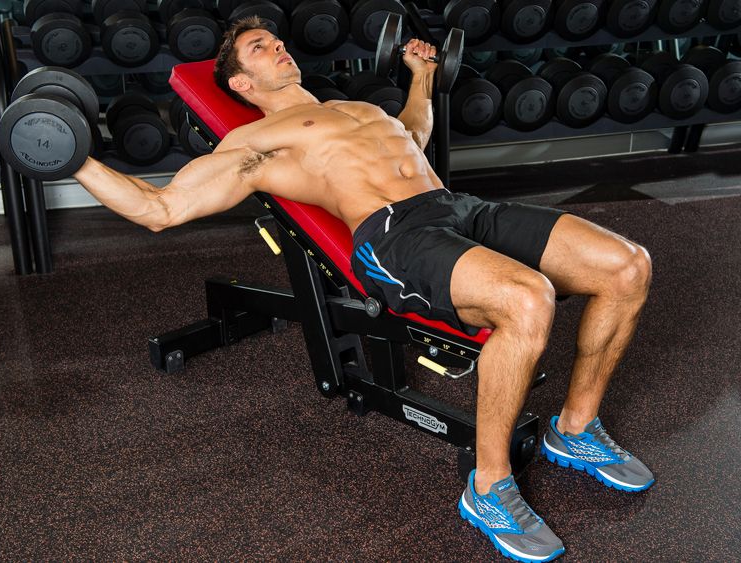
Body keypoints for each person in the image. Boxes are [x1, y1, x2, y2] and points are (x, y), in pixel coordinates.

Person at [73, 16, 654, 562]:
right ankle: (489, 485)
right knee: (527, 298)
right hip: (395, 239)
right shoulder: (256, 142)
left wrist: (422, 77)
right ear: (241, 83)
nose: (278, 45)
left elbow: (413, 134)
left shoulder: (350, 107)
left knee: (627, 266)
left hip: (456, 207)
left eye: (275, 39)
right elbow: (159, 208)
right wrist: (72, 156)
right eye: (260, 47)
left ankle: (575, 431)